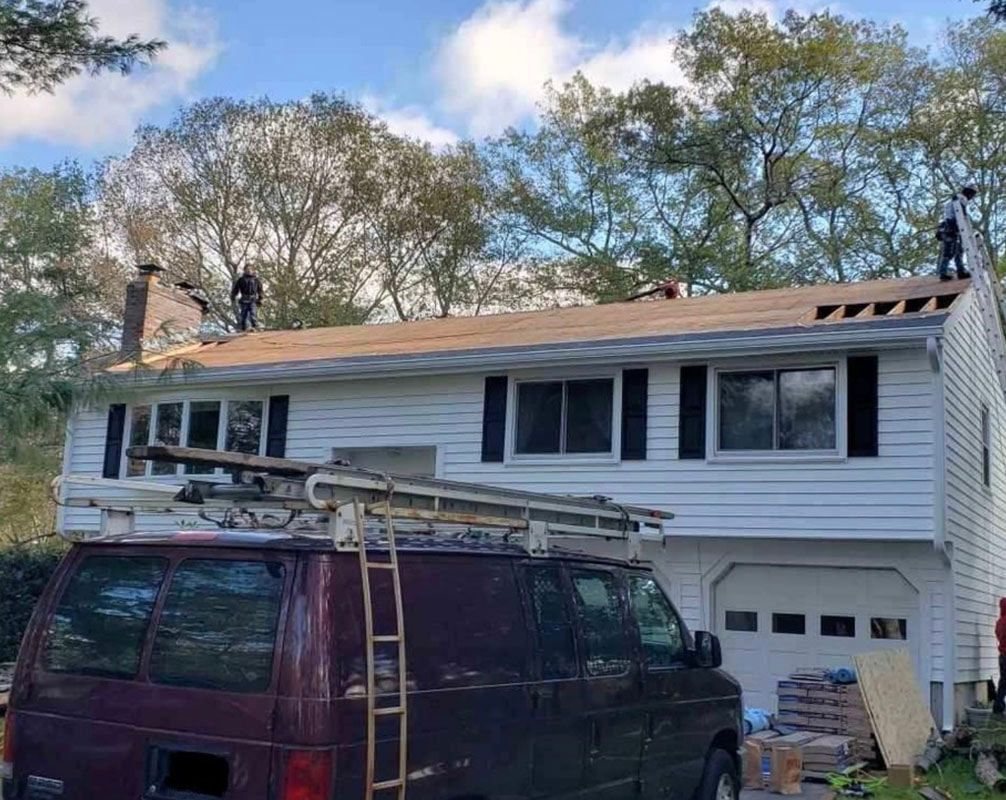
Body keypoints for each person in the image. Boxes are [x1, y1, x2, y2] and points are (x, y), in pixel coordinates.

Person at [937, 184, 978, 281]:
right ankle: (949, 272)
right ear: (969, 193)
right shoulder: (962, 199)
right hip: (953, 227)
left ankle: (956, 271)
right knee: (953, 251)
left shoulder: (951, 201)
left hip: (948, 227)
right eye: (972, 194)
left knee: (954, 250)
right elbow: (962, 213)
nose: (972, 197)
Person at [230, 264, 264, 331]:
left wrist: (260, 299)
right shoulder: (241, 280)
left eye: (250, 269)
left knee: (253, 313)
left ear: (253, 270)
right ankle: (242, 328)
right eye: (247, 269)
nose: (248, 271)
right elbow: (236, 289)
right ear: (244, 270)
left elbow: (260, 290)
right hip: (244, 299)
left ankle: (255, 326)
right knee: (243, 315)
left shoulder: (256, 280)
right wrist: (233, 295)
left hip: (253, 299)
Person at [994, 597, 1006, 714]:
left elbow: (998, 636)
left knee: (1003, 681)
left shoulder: (999, 622)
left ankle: (998, 706)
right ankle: (998, 706)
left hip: (1002, 656)